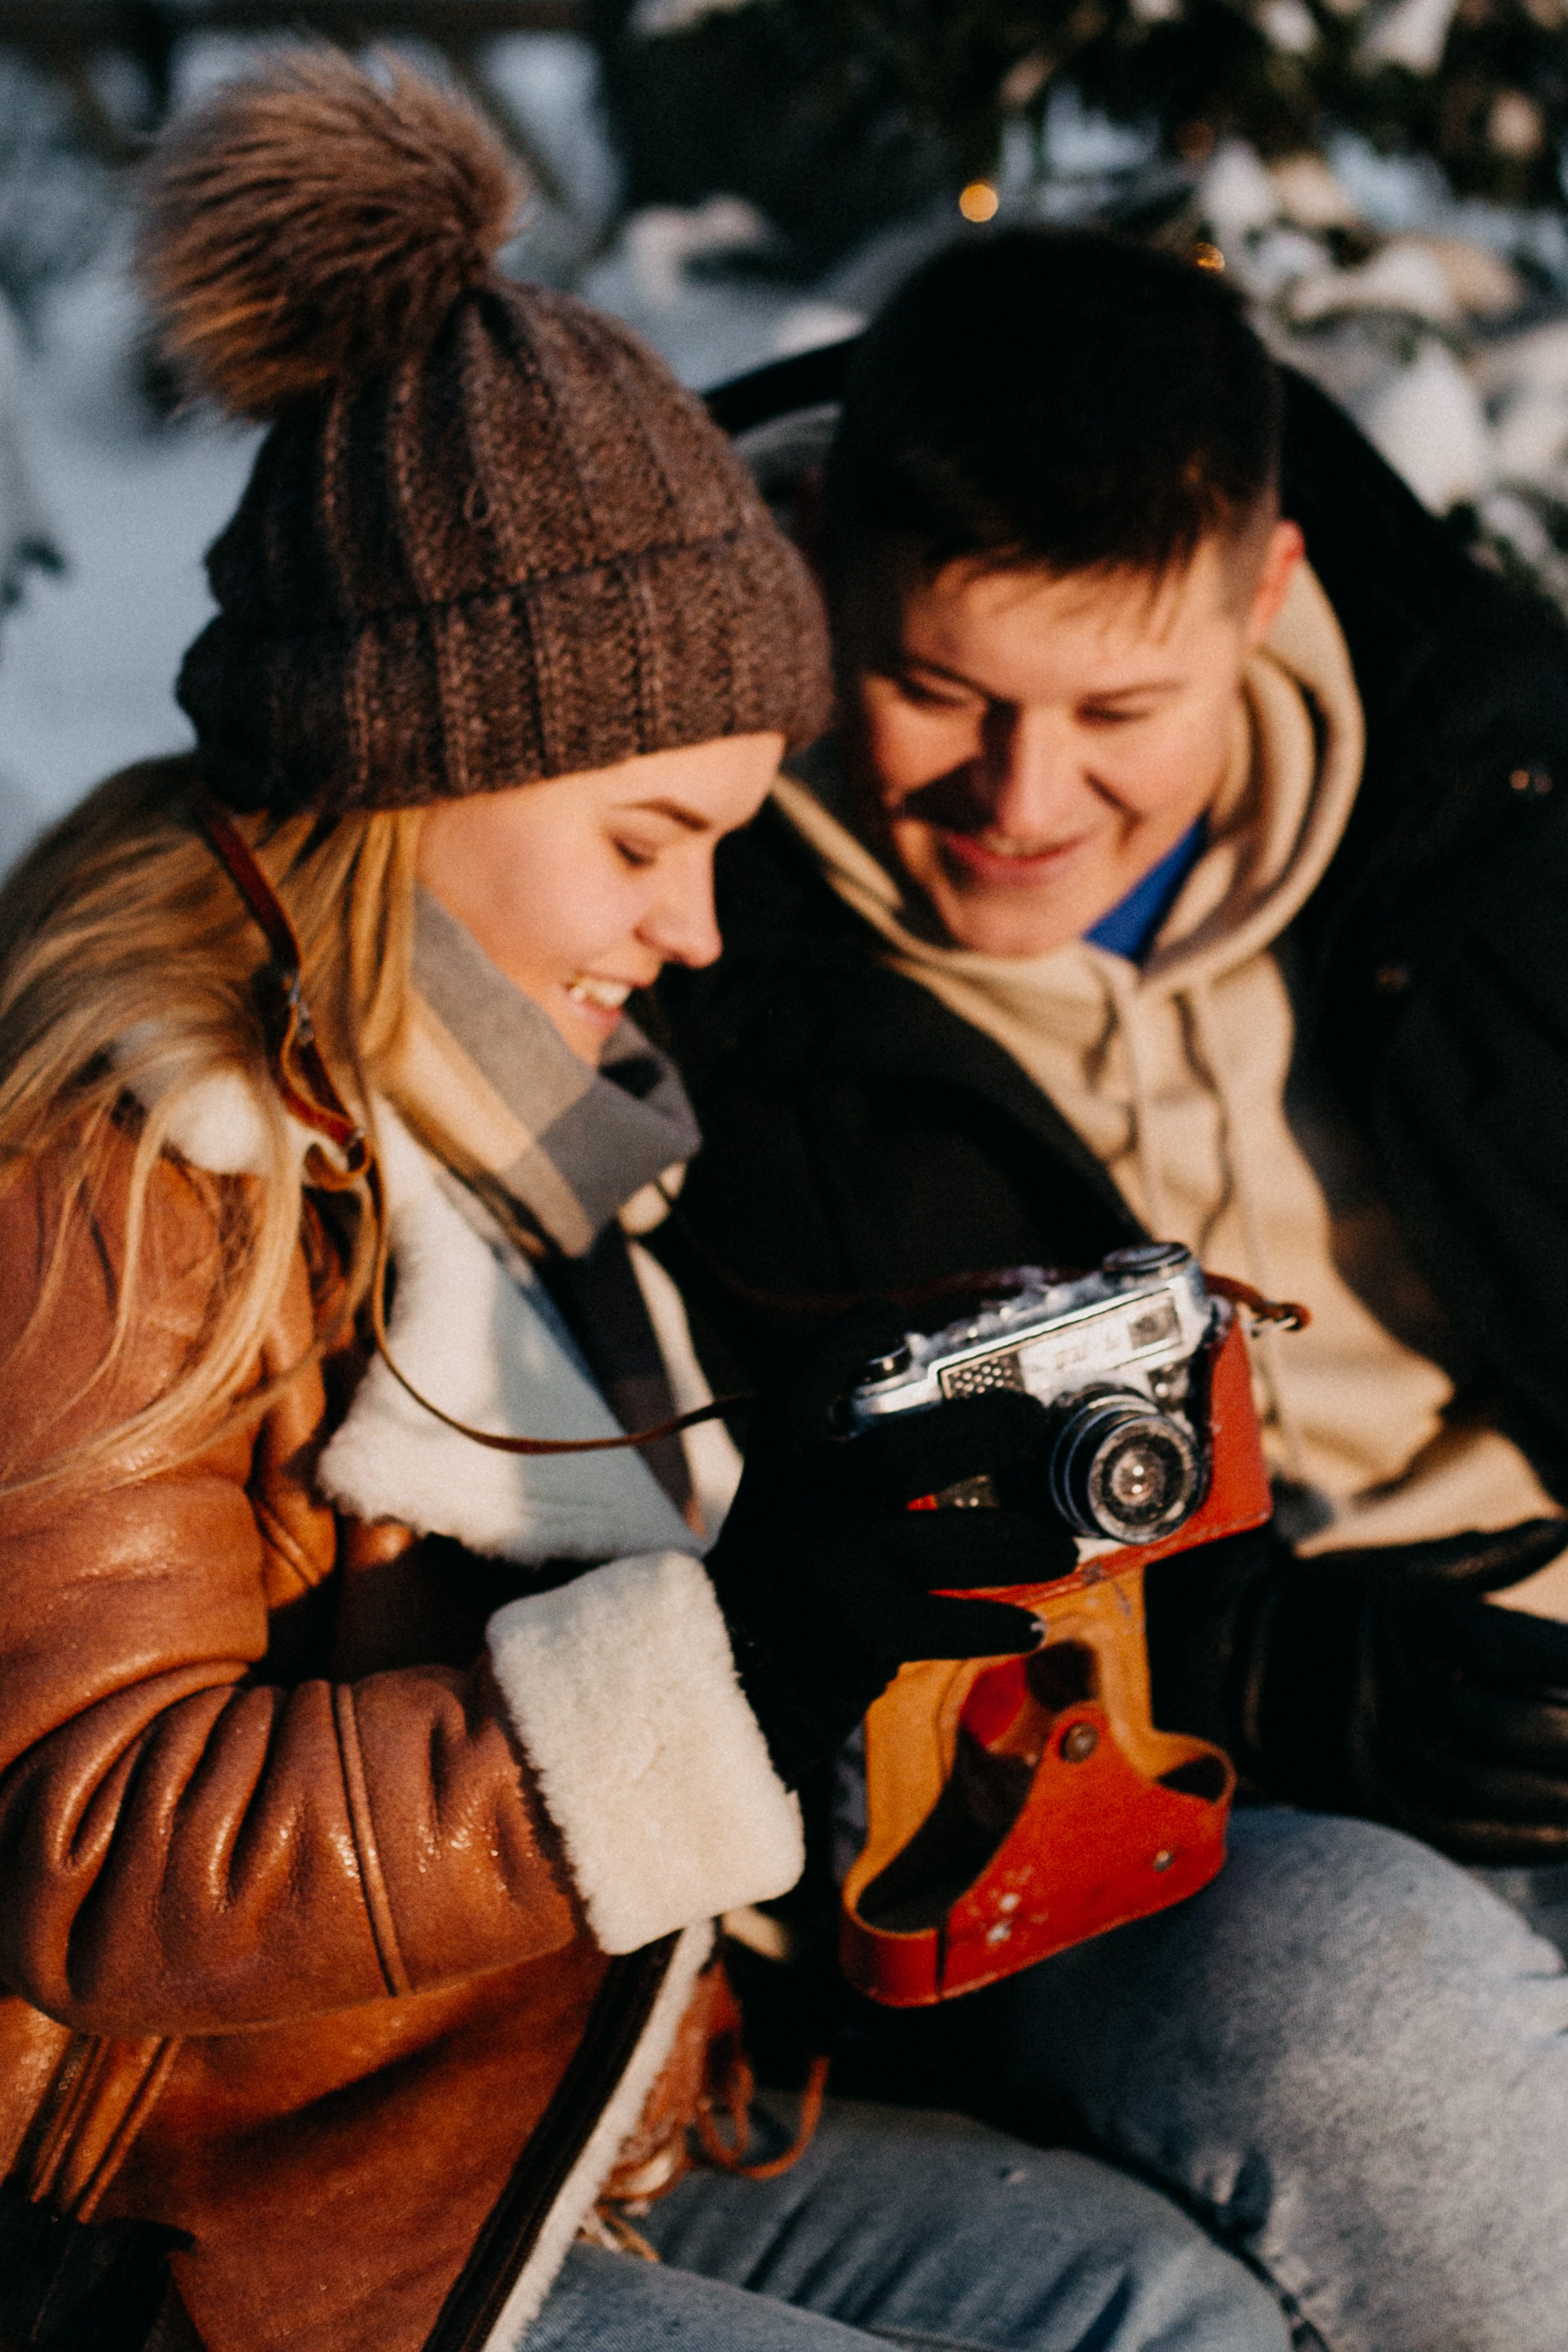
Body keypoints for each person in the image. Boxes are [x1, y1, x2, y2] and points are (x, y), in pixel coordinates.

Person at [0, 61, 1298, 2352]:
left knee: (1155, 2307)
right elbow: (100, 1853)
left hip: (601, 2114)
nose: (702, 930)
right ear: (417, 770)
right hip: (269, 2242)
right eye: (641, 839)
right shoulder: (134, 1162)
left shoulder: (545, 1127)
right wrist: (724, 1663)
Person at [653, 229, 1568, 2352]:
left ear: (1266, 595)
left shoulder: (1490, 781)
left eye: (1120, 708)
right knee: (1348, 1999)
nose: (1024, 798)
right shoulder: (713, 945)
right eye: (940, 690)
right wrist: (1285, 1667)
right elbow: (814, 1545)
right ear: (810, 565)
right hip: (1133, 1793)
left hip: (1527, 1658)